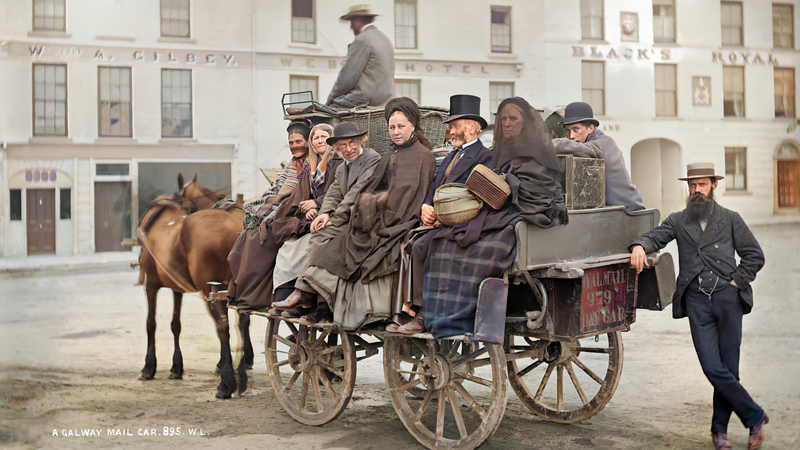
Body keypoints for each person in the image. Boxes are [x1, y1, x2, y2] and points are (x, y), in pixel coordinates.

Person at [629, 163, 768, 450]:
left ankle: (720, 432)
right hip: (696, 301)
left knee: (730, 368)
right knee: (712, 367)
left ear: (713, 186)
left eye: (701, 185)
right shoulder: (679, 220)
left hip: (729, 300)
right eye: (692, 185)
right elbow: (655, 237)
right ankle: (754, 415)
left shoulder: (730, 219)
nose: (696, 190)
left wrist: (736, 282)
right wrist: (640, 246)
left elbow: (754, 255)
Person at [422, 97, 568, 338]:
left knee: (478, 248)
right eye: (503, 120)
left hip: (529, 213)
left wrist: (508, 182)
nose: (507, 124)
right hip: (501, 212)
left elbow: (542, 192)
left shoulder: (536, 149)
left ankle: (465, 318)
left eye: (513, 119)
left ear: (525, 122)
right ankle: (445, 317)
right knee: (450, 241)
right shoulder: (498, 151)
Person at [286, 97, 436, 328]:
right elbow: (370, 189)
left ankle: (335, 304)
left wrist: (377, 207)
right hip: (378, 216)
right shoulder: (390, 155)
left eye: (401, 127)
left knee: (350, 240)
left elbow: (412, 196)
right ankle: (314, 296)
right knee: (341, 237)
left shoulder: (423, 156)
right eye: (392, 127)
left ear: (413, 126)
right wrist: (367, 206)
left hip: (402, 220)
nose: (396, 132)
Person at [388, 94, 492, 334]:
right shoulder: (451, 156)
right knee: (408, 242)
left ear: (473, 128)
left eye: (456, 126)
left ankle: (425, 313)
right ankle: (408, 310)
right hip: (438, 220)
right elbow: (435, 186)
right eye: (451, 127)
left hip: (461, 223)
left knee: (424, 246)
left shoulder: (485, 157)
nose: (451, 132)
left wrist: (443, 216)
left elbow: (475, 199)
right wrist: (426, 206)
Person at [271, 121, 381, 320]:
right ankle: (307, 296)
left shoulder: (371, 159)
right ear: (337, 149)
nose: (348, 149)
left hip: (367, 220)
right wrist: (325, 213)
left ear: (360, 141)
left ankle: (307, 294)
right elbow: (334, 193)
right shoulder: (342, 168)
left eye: (352, 143)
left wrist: (334, 218)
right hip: (347, 217)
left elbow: (357, 193)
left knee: (330, 239)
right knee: (318, 233)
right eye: (343, 146)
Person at [226, 120, 317, 310]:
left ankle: (255, 298)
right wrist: (261, 206)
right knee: (243, 239)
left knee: (259, 240)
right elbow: (278, 189)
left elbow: (299, 194)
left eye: (298, 141)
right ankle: (238, 292)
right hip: (283, 207)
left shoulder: (311, 164)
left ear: (308, 142)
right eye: (291, 143)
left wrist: (274, 209)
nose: (294, 147)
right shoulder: (293, 164)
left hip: (295, 211)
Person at [271, 123, 345, 296]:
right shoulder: (311, 167)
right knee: (287, 249)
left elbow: (339, 191)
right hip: (311, 218)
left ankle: (306, 296)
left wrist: (318, 205)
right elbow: (301, 196)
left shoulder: (340, 164)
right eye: (315, 138)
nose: (319, 141)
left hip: (331, 217)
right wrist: (306, 209)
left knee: (311, 245)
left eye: (323, 137)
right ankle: (283, 296)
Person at [552, 102, 645, 211]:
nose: (571, 136)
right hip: (612, 211)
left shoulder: (603, 142)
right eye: (568, 131)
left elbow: (573, 148)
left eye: (576, 130)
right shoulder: (592, 141)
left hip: (629, 210)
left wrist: (547, 143)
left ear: (590, 128)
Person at [326, 5, 395, 109]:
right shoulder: (385, 39)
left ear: (357, 21)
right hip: (387, 98)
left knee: (328, 109)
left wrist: (331, 97)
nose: (350, 27)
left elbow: (348, 76)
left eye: (351, 22)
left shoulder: (362, 39)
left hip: (365, 99)